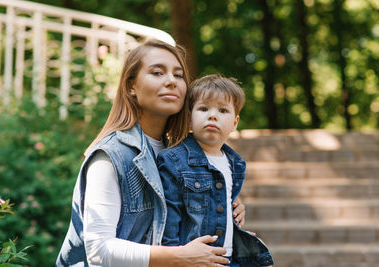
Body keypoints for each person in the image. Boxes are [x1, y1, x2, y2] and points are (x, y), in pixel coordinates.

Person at [56, 40, 246, 267]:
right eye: (157, 72)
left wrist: (224, 203)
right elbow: (99, 250)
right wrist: (180, 257)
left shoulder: (181, 157)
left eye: (178, 75)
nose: (171, 81)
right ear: (131, 87)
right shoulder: (110, 155)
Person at [157, 74, 274, 266]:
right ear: (189, 118)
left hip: (228, 258)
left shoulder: (234, 163)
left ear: (235, 123)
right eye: (203, 108)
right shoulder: (174, 161)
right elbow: (169, 218)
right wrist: (175, 258)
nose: (212, 115)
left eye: (222, 110)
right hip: (193, 259)